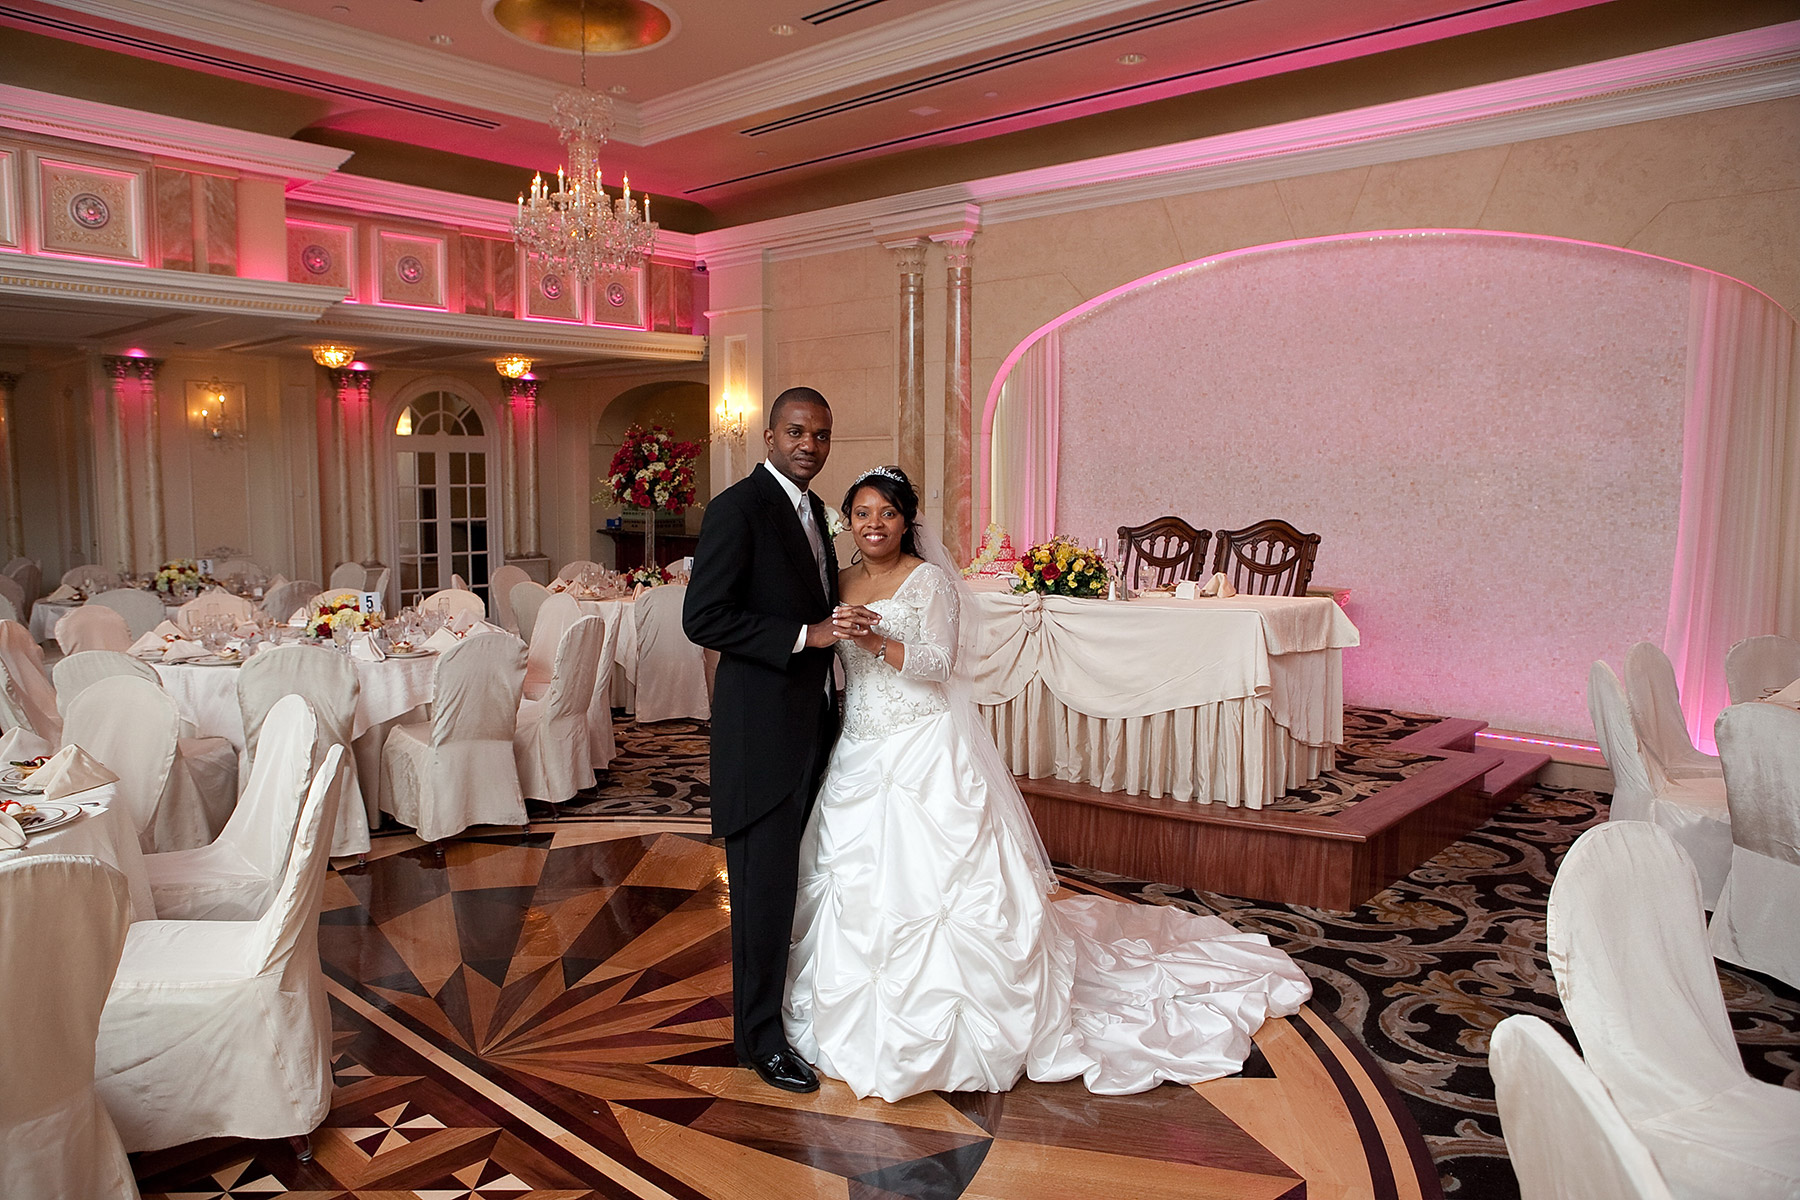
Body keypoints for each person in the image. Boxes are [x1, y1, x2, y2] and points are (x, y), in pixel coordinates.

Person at [785, 465, 1313, 1101]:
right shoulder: (837, 582)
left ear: (906, 521)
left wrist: (875, 639)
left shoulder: (927, 583)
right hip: (861, 749)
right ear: (848, 520)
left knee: (948, 888)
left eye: (887, 514)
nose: (874, 525)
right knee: (851, 878)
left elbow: (937, 663)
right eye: (863, 513)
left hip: (924, 748)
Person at [682, 386, 854, 1094]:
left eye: (820, 434)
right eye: (795, 432)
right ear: (768, 437)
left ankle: (781, 1014)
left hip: (812, 722)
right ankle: (758, 1041)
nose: (808, 444)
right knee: (760, 892)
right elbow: (704, 617)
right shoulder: (737, 508)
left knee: (794, 884)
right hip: (759, 736)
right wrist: (802, 636)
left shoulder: (815, 511)